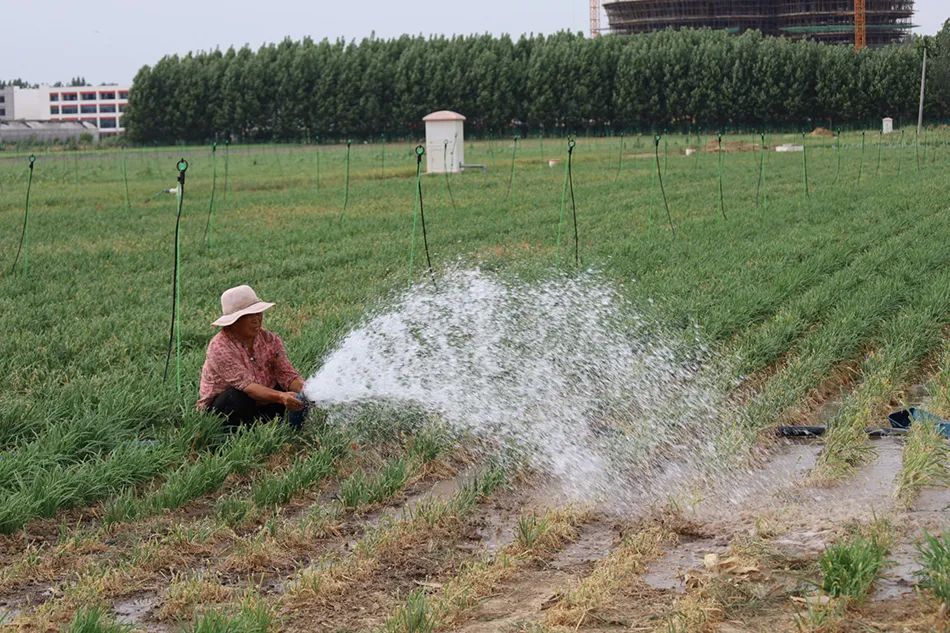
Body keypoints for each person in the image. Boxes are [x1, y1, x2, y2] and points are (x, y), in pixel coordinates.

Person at [197, 284, 308, 429]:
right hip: (226, 408)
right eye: (249, 316)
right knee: (237, 397)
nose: (256, 319)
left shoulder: (270, 340)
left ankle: (272, 425)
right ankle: (238, 432)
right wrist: (281, 397)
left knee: (292, 393)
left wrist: (308, 391)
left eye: (258, 313)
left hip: (262, 401)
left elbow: (286, 374)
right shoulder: (220, 347)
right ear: (233, 321)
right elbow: (248, 387)